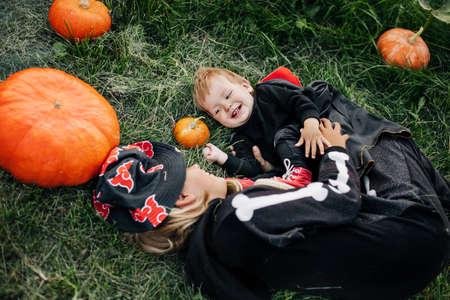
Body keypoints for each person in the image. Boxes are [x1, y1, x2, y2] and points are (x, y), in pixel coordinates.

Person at [92, 119, 449, 300]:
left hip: (387, 284)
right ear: (185, 197)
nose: (201, 168)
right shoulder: (239, 212)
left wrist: (269, 180)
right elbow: (339, 198)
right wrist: (335, 151)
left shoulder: (210, 256)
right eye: (190, 171)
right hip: (415, 231)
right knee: (376, 141)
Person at [194, 67, 331, 189]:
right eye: (217, 110)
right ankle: (240, 189)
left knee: (282, 137)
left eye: (228, 95)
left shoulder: (266, 92)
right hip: (292, 171)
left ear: (246, 86)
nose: (227, 106)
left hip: (310, 138)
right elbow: (251, 168)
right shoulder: (240, 138)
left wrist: (311, 124)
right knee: (261, 180)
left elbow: (299, 101)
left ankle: (299, 178)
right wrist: (221, 157)